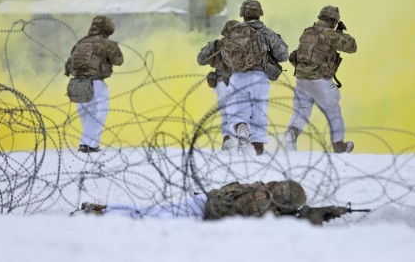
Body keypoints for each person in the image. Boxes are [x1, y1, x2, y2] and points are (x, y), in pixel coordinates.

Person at [78, 180, 365, 225]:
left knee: (150, 213)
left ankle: (104, 210)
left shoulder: (266, 193)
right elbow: (259, 223)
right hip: (200, 211)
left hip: (203, 203)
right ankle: (103, 216)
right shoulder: (261, 202)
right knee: (150, 219)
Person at [284, 6, 357, 154]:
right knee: (333, 110)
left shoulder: (307, 32)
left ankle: (291, 133)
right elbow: (352, 46)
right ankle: (339, 144)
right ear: (334, 21)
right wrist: (342, 34)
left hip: (301, 79)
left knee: (302, 111)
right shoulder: (329, 33)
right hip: (319, 80)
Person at [221, 0, 289, 155]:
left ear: (242, 14)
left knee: (238, 113)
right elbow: (283, 55)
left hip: (237, 77)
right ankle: (258, 151)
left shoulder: (233, 33)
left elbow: (225, 56)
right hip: (259, 77)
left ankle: (241, 127)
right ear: (259, 13)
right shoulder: (266, 32)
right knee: (259, 115)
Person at [64, 16, 124, 153]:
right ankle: (87, 144)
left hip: (77, 83)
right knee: (98, 114)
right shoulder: (106, 42)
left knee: (86, 115)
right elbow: (119, 60)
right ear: (107, 28)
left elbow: (69, 63)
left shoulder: (81, 42)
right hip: (95, 83)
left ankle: (89, 144)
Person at [197, 20, 239, 150]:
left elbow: (200, 59)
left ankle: (228, 139)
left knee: (226, 115)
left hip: (222, 84)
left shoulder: (217, 44)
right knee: (241, 112)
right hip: (239, 82)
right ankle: (242, 140)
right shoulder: (244, 45)